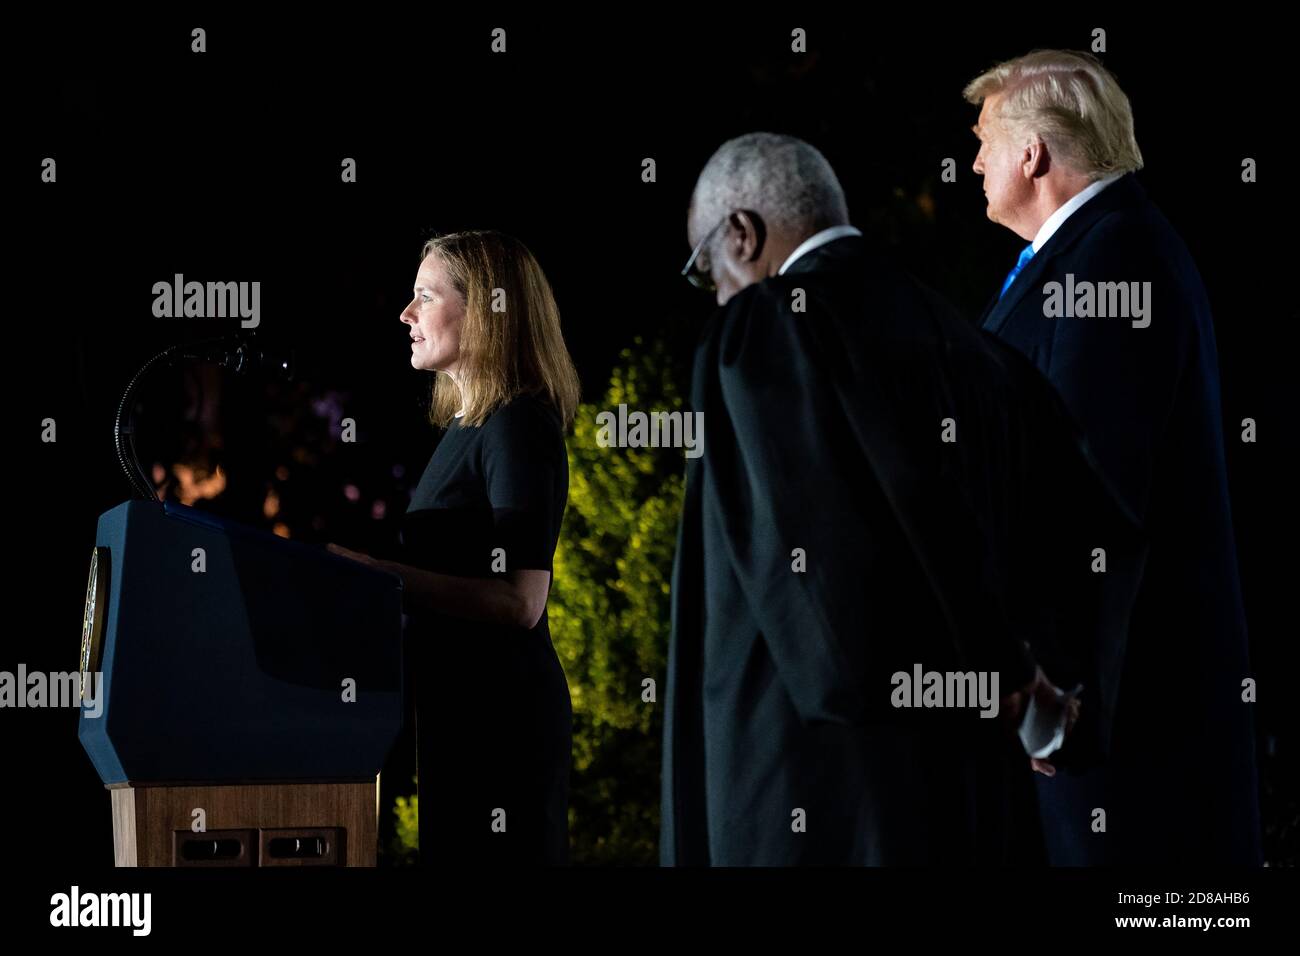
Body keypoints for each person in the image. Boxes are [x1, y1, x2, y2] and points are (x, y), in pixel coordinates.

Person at [661, 132, 1141, 866]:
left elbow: (826, 586)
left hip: (823, 805)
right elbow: (1100, 536)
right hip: (984, 809)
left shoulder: (770, 324)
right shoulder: (988, 356)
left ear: (741, 235)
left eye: (707, 271)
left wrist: (995, 684)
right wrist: (1054, 712)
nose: (718, 295)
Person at [965, 49, 1260, 865]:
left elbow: (1090, 487)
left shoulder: (1113, 256)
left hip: (1125, 717)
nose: (974, 159)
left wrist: (1055, 692)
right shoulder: (1094, 252)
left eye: (986, 137)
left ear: (1033, 154)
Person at [329, 230, 580, 865]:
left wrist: (380, 574)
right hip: (457, 714)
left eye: (424, 296)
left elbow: (522, 601)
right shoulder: (468, 427)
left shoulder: (519, 422)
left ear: (488, 310)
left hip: (501, 725)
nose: (406, 314)